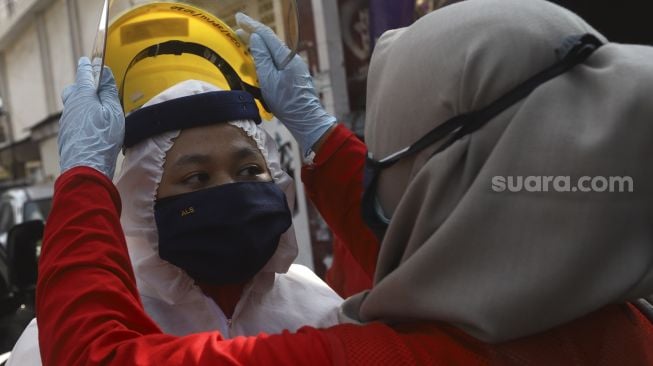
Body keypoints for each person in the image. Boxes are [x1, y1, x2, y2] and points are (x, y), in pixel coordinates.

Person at [37, 0, 653, 364]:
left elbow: (101, 355)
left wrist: (85, 179)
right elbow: (436, 257)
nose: (381, 183)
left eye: (394, 159)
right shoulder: (625, 328)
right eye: (194, 176)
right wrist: (324, 137)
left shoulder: (350, 333)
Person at [7, 79, 342, 365]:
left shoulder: (317, 305)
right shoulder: (56, 341)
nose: (230, 188)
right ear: (143, 203)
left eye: (250, 170)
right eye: (197, 177)